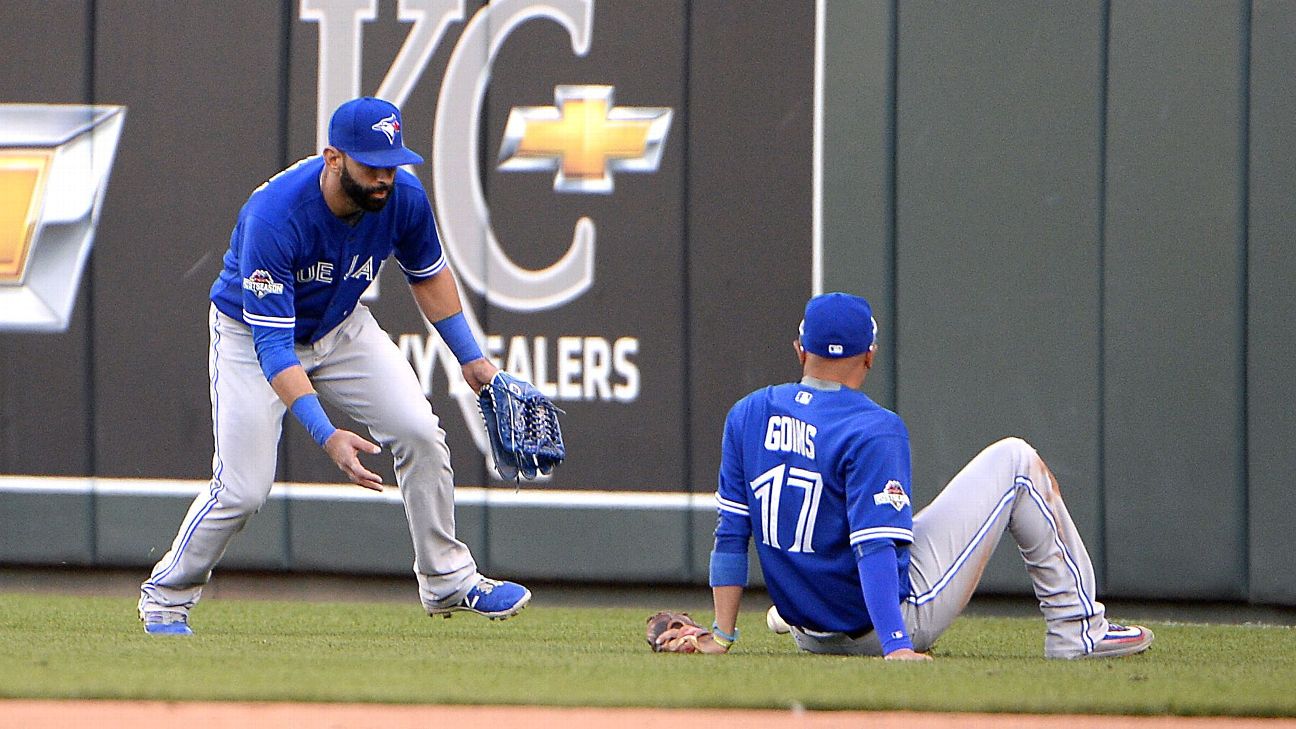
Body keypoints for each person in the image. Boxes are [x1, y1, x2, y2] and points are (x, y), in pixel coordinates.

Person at [138, 97, 529, 635]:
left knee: (419, 431)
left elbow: (429, 275)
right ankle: (166, 596)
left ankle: (448, 580)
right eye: (370, 165)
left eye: (390, 164)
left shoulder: (402, 198)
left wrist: (472, 360)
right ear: (332, 157)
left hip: (341, 327)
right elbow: (274, 351)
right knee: (243, 488)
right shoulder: (275, 215)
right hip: (253, 336)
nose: (383, 178)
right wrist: (326, 436)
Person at [683, 292, 1153, 660]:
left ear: (799, 349)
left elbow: (730, 536)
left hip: (809, 631)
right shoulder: (872, 426)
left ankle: (788, 618)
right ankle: (1078, 629)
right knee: (1015, 461)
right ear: (869, 355)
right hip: (876, 626)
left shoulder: (748, 413)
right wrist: (896, 644)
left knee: (882, 526)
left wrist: (721, 635)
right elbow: (872, 546)